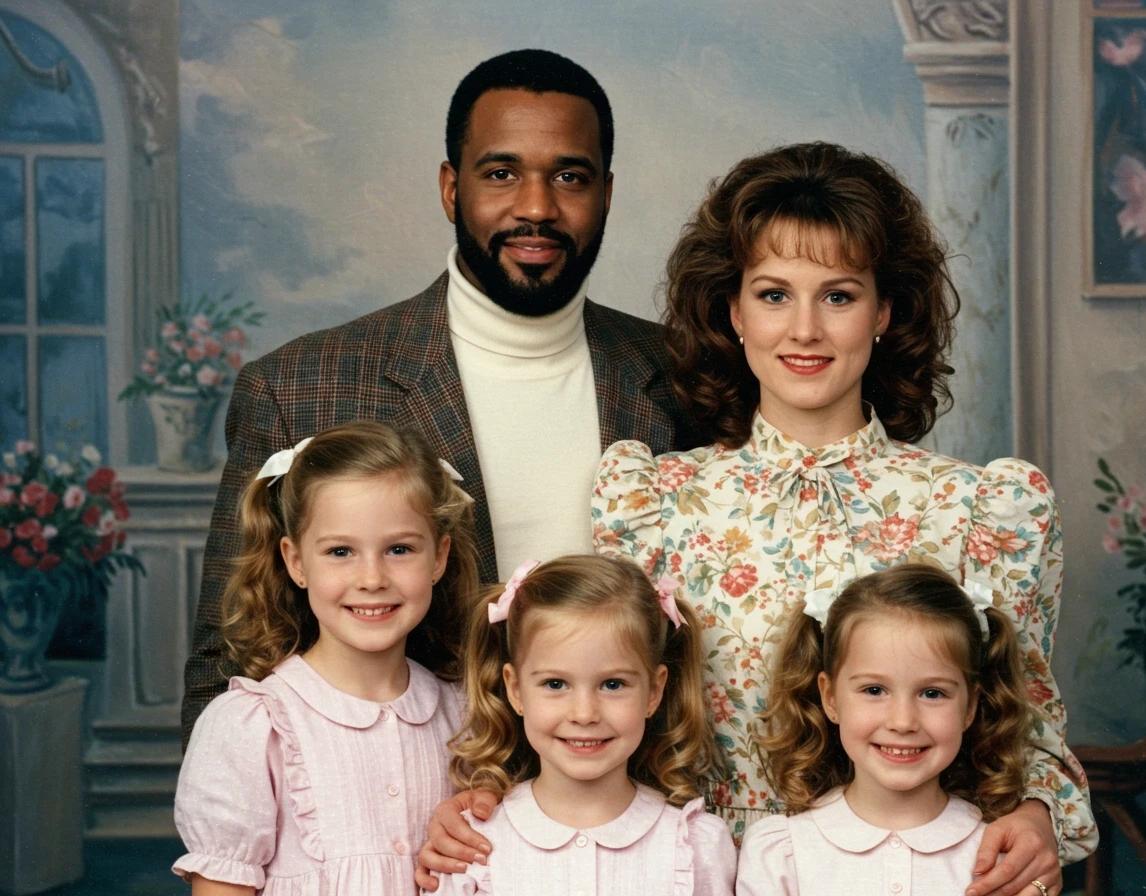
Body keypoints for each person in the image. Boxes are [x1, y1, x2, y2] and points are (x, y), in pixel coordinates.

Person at [421, 144, 1093, 895]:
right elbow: (595, 685)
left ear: (885, 312)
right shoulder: (654, 498)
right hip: (680, 868)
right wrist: (489, 800)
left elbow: (1028, 724)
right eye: (775, 295)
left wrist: (1036, 812)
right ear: (734, 311)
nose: (804, 329)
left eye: (838, 296)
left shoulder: (980, 508)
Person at [182, 48, 695, 747]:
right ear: (452, 189)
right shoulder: (298, 387)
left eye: (569, 176)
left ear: (606, 193)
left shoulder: (689, 376)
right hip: (392, 825)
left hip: (630, 818)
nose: (537, 207)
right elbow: (226, 672)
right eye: (502, 173)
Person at [172, 422, 478, 894]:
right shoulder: (255, 724)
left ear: (438, 557)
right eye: (340, 552)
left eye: (399, 549)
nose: (372, 578)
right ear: (296, 562)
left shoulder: (464, 716)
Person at [433, 555, 735, 895]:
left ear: (654, 691)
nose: (584, 713)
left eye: (612, 684)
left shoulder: (695, 846)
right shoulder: (470, 845)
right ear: (515, 690)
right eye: (556, 684)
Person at [736, 564, 1036, 896]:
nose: (903, 722)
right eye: (875, 690)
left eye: (932, 693)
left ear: (969, 707)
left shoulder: (998, 860)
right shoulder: (782, 854)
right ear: (831, 698)